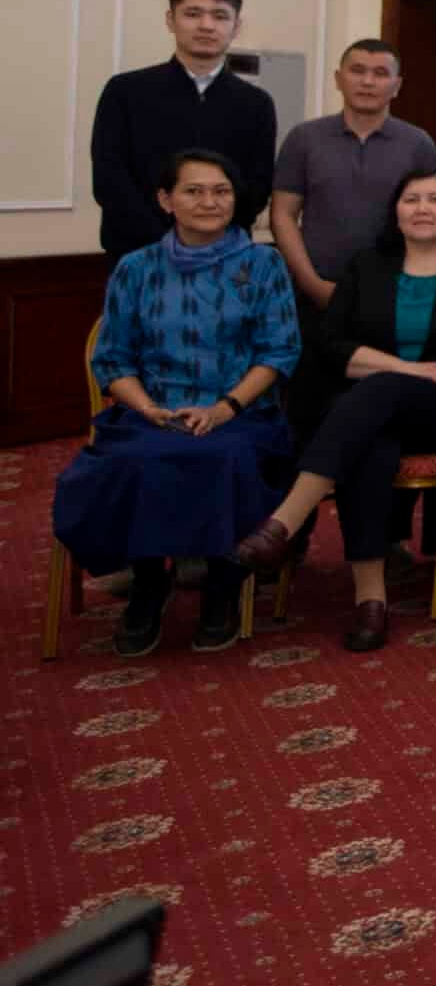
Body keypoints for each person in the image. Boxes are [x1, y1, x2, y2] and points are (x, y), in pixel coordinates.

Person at [232, 167, 436, 652]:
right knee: (370, 443)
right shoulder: (368, 265)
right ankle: (370, 600)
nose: (422, 208)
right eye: (411, 199)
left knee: (371, 400)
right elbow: (333, 345)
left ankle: (284, 523)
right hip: (375, 406)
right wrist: (408, 369)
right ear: (395, 213)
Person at [57, 151, 298, 656]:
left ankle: (223, 585)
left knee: (222, 457)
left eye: (222, 191)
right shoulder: (135, 267)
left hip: (241, 414)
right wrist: (147, 409)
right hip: (151, 412)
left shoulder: (263, 263)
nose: (209, 201)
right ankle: (148, 582)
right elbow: (113, 359)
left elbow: (279, 352)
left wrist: (224, 408)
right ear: (166, 200)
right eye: (193, 191)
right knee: (132, 460)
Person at [272, 41, 436, 443]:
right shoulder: (304, 138)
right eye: (358, 70)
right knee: (306, 409)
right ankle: (301, 501)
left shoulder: (417, 143)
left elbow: (432, 219)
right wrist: (311, 282)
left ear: (397, 85)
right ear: (338, 79)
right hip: (315, 293)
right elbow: (282, 215)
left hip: (390, 297)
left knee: (373, 413)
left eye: (381, 73)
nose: (368, 81)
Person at [90, 0, 275, 260]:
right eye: (192, 13)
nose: (206, 25)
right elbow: (109, 179)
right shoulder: (125, 92)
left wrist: (207, 240)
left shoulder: (256, 103)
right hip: (139, 256)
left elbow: (256, 188)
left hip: (225, 256)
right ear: (170, 20)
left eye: (220, 16)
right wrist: (170, 242)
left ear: (235, 27)